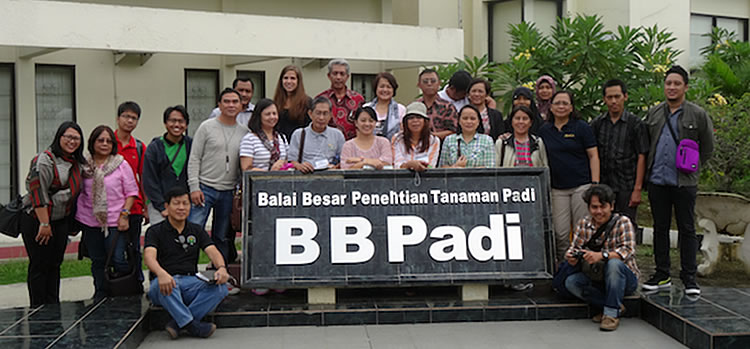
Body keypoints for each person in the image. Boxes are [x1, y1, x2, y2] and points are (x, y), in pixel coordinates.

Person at [641, 66, 714, 295]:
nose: (671, 87)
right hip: (657, 180)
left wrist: (693, 169)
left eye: (676, 84)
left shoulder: (697, 114)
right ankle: (662, 274)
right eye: (668, 83)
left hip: (684, 183)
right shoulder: (654, 113)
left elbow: (708, 147)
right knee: (660, 228)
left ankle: (689, 278)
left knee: (687, 229)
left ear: (685, 87)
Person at [144, 187, 229, 339]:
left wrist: (221, 268)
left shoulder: (196, 230)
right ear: (167, 206)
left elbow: (213, 252)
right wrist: (162, 274)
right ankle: (192, 326)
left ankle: (178, 324)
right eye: (176, 203)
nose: (181, 208)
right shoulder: (155, 231)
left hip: (190, 281)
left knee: (221, 288)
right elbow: (149, 257)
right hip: (163, 282)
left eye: (185, 203)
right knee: (168, 286)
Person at [20, 121, 85, 307]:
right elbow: (37, 191)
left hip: (60, 220)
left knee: (55, 264)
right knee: (39, 264)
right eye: (68, 137)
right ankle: (38, 308)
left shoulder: (78, 163)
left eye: (76, 138)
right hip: (37, 219)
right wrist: (45, 224)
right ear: (59, 137)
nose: (72, 141)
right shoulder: (45, 160)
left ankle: (52, 305)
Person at [563, 184, 639, 331]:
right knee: (571, 282)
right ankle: (613, 306)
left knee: (614, 264)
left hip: (624, 279)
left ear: (611, 206)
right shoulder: (584, 223)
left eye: (602, 207)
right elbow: (574, 249)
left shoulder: (623, 222)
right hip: (596, 278)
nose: (598, 211)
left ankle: (611, 315)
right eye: (594, 207)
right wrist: (571, 256)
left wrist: (602, 255)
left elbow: (628, 250)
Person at [76, 125, 140, 301]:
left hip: (115, 220)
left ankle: (121, 290)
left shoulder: (121, 164)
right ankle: (101, 292)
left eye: (108, 141)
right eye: (100, 140)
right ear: (92, 142)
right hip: (90, 220)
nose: (104, 144)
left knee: (118, 259)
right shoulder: (83, 166)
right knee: (97, 259)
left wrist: (125, 215)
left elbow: (132, 192)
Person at [187, 88, 248, 269]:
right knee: (193, 232)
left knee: (221, 236)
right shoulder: (206, 127)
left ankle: (219, 273)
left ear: (241, 105)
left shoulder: (244, 131)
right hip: (204, 188)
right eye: (226, 101)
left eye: (235, 102)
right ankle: (185, 271)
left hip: (229, 191)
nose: (231, 105)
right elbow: (195, 158)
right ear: (219, 105)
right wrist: (194, 187)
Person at [538, 91, 600, 262]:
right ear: (551, 107)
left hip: (581, 186)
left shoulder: (582, 127)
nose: (561, 106)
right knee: (560, 232)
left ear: (571, 107)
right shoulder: (544, 130)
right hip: (557, 188)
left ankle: (584, 266)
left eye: (565, 103)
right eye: (557, 103)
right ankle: (565, 266)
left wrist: (595, 184)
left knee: (582, 229)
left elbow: (593, 156)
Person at [589, 80, 649, 228]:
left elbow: (642, 155)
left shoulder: (635, 124)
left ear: (625, 97)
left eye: (617, 96)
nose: (613, 101)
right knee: (602, 224)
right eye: (609, 97)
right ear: (604, 99)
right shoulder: (597, 124)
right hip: (605, 184)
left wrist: (637, 189)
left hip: (627, 184)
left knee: (627, 225)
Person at [114, 101, 147, 281]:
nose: (129, 121)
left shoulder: (140, 147)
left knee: (134, 248)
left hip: (134, 207)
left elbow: (143, 178)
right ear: (118, 118)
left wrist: (146, 207)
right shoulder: (106, 142)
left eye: (134, 118)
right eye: (126, 116)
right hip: (111, 209)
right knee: (115, 253)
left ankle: (136, 283)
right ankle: (116, 283)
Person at [143, 105, 192, 225]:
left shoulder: (191, 145)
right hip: (159, 206)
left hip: (183, 206)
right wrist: (162, 206)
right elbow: (149, 180)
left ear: (186, 125)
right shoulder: (154, 148)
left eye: (181, 121)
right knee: (161, 239)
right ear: (165, 123)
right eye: (172, 121)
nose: (176, 125)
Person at [287, 96, 346, 173]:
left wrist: (335, 167)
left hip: (330, 176)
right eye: (318, 113)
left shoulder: (337, 135)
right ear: (310, 114)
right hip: (305, 176)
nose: (321, 118)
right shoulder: (299, 134)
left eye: (325, 113)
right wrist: (300, 166)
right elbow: (291, 161)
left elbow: (344, 160)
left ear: (331, 115)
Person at [316, 58, 365, 140]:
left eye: (342, 74)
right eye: (335, 73)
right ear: (329, 76)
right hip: (326, 147)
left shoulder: (358, 100)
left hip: (351, 147)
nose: (338, 77)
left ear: (347, 77)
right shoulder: (320, 99)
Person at [240, 99, 289, 171]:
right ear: (259, 116)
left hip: (281, 180)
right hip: (258, 181)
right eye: (268, 114)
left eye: (274, 113)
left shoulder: (282, 138)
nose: (272, 117)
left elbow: (287, 161)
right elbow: (246, 168)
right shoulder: (249, 139)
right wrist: (270, 173)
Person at [392, 102, 441, 171]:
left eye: (419, 117)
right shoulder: (397, 139)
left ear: (425, 121)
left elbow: (431, 166)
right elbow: (397, 166)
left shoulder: (434, 140)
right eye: (411, 118)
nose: (415, 121)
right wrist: (409, 165)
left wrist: (418, 166)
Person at [415, 69, 458, 141]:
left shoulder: (447, 107)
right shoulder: (415, 106)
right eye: (425, 81)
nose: (429, 84)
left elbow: (453, 131)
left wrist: (431, 136)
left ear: (439, 84)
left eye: (433, 81)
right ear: (419, 85)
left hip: (442, 149)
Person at [363, 72, 405, 141]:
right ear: (375, 88)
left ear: (393, 90)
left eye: (388, 87)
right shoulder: (366, 107)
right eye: (381, 86)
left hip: (393, 149)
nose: (385, 90)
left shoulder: (400, 109)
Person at [273, 65, 312, 141]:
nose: (289, 81)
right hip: (280, 145)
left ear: (298, 81)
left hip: (300, 144)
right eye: (285, 78)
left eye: (293, 78)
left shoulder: (307, 102)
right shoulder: (276, 102)